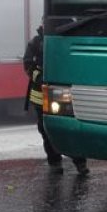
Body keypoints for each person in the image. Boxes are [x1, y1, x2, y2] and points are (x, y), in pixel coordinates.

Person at [23, 25, 89, 175]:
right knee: (46, 131)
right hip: (40, 95)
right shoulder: (35, 42)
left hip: (61, 92)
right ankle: (55, 163)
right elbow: (27, 64)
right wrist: (40, 77)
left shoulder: (63, 39)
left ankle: (80, 162)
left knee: (68, 129)